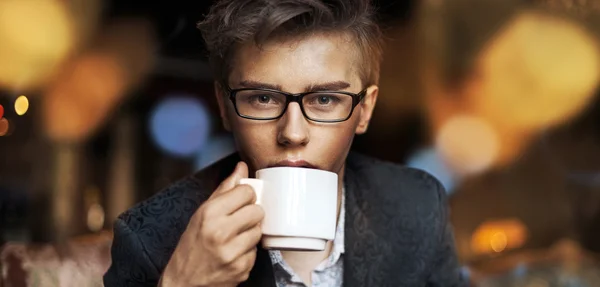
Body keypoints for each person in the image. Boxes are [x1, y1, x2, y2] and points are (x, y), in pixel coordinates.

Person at [103, 0, 466, 286]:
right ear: (225, 107)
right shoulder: (148, 239)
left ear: (365, 110)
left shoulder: (419, 205)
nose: (293, 133)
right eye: (262, 98)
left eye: (324, 100)